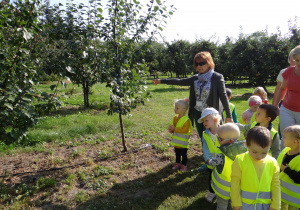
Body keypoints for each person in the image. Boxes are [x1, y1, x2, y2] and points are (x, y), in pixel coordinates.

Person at [152, 51, 233, 171]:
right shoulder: (195, 78)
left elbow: (223, 97)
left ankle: (220, 159)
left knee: (215, 137)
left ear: (209, 62)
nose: (199, 66)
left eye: (202, 63)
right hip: (198, 113)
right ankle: (208, 161)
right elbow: (179, 81)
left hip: (211, 116)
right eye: (197, 64)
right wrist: (161, 81)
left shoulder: (216, 77)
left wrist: (229, 115)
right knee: (204, 138)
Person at [231, 126, 281, 210]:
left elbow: (276, 184)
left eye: (264, 152)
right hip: (244, 205)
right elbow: (235, 182)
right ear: (246, 144)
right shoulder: (240, 160)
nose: (259, 156)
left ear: (270, 146)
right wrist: (236, 203)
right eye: (254, 152)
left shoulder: (273, 162)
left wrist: (276, 204)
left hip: (266, 206)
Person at [210, 123, 240, 210]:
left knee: (221, 205)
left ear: (230, 141)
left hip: (222, 189)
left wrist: (209, 160)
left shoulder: (221, 155)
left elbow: (213, 163)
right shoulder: (242, 153)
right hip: (235, 189)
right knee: (232, 203)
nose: (218, 140)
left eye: (219, 138)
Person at [273, 45, 300, 139]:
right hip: (287, 110)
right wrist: (276, 104)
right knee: (286, 138)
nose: (298, 63)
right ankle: (284, 154)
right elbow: (282, 88)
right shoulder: (289, 71)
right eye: (296, 60)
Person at [197, 107, 222, 203]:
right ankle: (211, 192)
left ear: (215, 119)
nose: (204, 123)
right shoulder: (205, 134)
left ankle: (222, 193)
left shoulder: (224, 131)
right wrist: (208, 159)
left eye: (206, 120)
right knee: (211, 178)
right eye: (203, 121)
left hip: (223, 162)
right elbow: (205, 148)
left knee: (223, 178)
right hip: (211, 162)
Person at [277, 125, 300, 210]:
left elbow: (298, 179)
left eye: (285, 137)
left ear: (295, 142)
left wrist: (286, 170)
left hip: (295, 201)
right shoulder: (285, 151)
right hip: (281, 195)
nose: (282, 138)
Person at [169, 99, 192, 171]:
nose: (175, 109)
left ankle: (184, 165)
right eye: (175, 107)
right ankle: (177, 163)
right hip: (177, 142)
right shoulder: (175, 118)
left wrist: (175, 129)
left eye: (177, 108)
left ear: (184, 110)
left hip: (183, 143)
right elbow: (171, 125)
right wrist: (171, 129)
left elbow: (185, 130)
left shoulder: (186, 120)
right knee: (177, 153)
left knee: (184, 154)